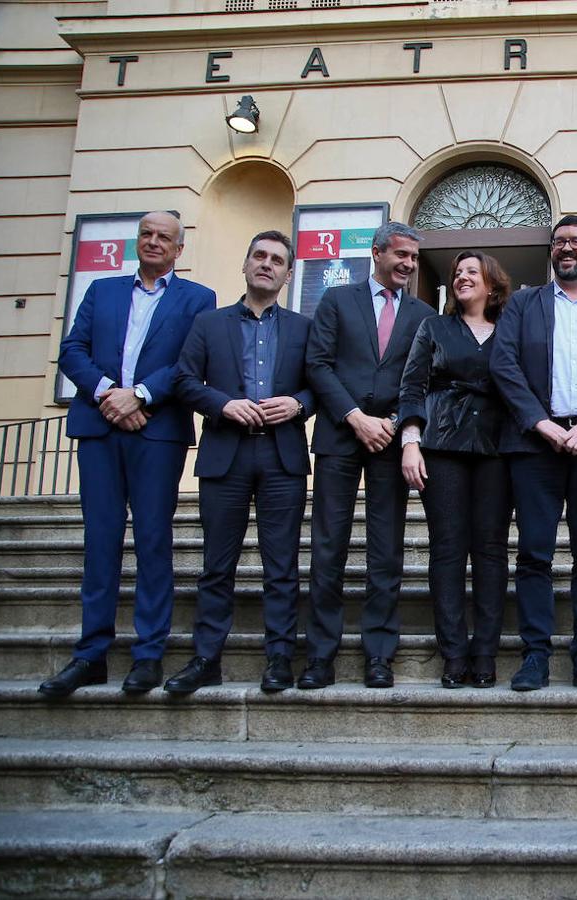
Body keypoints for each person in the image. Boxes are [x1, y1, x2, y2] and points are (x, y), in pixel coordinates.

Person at [40, 210, 215, 698]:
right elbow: (73, 349)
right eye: (147, 234)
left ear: (180, 249)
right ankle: (91, 654)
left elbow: (189, 362)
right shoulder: (103, 291)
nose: (154, 242)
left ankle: (148, 654)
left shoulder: (198, 299)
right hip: (99, 428)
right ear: (137, 241)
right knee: (100, 539)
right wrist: (106, 393)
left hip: (156, 432)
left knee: (154, 541)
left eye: (165, 237)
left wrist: (138, 395)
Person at [165, 230, 315, 694]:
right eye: (259, 256)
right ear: (246, 265)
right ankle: (206, 657)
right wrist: (221, 405)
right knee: (217, 564)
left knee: (281, 565)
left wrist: (298, 405)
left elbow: (320, 385)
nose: (266, 264)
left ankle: (279, 659)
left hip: (282, 454)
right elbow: (184, 380)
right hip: (225, 453)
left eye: (276, 260)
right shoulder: (209, 324)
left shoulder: (302, 328)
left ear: (289, 274)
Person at [489, 215, 577, 691]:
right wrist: (542, 423)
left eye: (575, 242)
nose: (566, 248)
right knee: (534, 553)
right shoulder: (523, 304)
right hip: (534, 446)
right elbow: (504, 364)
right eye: (559, 242)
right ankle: (535, 655)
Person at [300, 222, 437, 690]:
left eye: (414, 258)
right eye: (401, 254)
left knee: (386, 552)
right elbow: (317, 365)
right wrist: (355, 416)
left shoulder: (423, 314)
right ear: (376, 253)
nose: (408, 264)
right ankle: (320, 655)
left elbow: (423, 378)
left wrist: (397, 425)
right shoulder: (337, 301)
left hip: (390, 443)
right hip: (340, 436)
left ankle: (380, 654)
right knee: (328, 548)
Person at [398, 251, 513, 689]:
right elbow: (412, 385)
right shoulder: (434, 327)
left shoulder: (510, 329)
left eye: (472, 272)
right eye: (457, 273)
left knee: (490, 550)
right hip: (441, 445)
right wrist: (410, 443)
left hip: (497, 450)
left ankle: (484, 651)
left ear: (492, 283)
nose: (463, 277)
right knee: (447, 548)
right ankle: (453, 653)